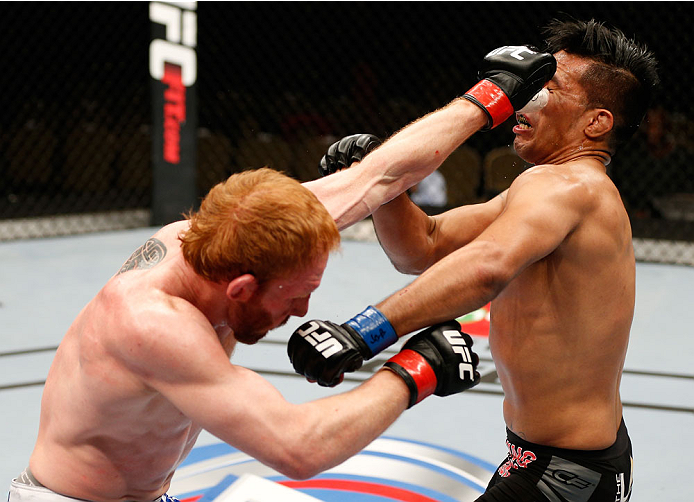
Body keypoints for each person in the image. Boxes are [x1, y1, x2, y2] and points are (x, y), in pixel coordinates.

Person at [10, 43, 554, 502]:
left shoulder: (221, 236)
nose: (303, 311)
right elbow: (298, 447)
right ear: (242, 288)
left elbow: (378, 175)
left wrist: (488, 98)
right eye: (297, 296)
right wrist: (417, 370)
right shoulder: (153, 325)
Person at [289, 19, 659, 501]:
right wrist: (382, 185)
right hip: (563, 460)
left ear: (596, 122)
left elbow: (486, 265)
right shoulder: (554, 188)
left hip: (560, 472)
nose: (528, 98)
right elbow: (423, 244)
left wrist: (363, 331)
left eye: (550, 87)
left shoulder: (568, 186)